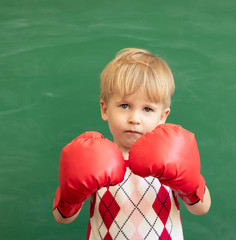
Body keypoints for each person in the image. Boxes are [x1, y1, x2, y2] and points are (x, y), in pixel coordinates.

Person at [52, 48, 211, 239]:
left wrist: (189, 185)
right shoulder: (96, 157)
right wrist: (71, 197)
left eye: (147, 109)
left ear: (163, 116)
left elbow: (201, 209)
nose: (135, 118)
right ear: (105, 109)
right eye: (124, 106)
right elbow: (62, 218)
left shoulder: (170, 155)